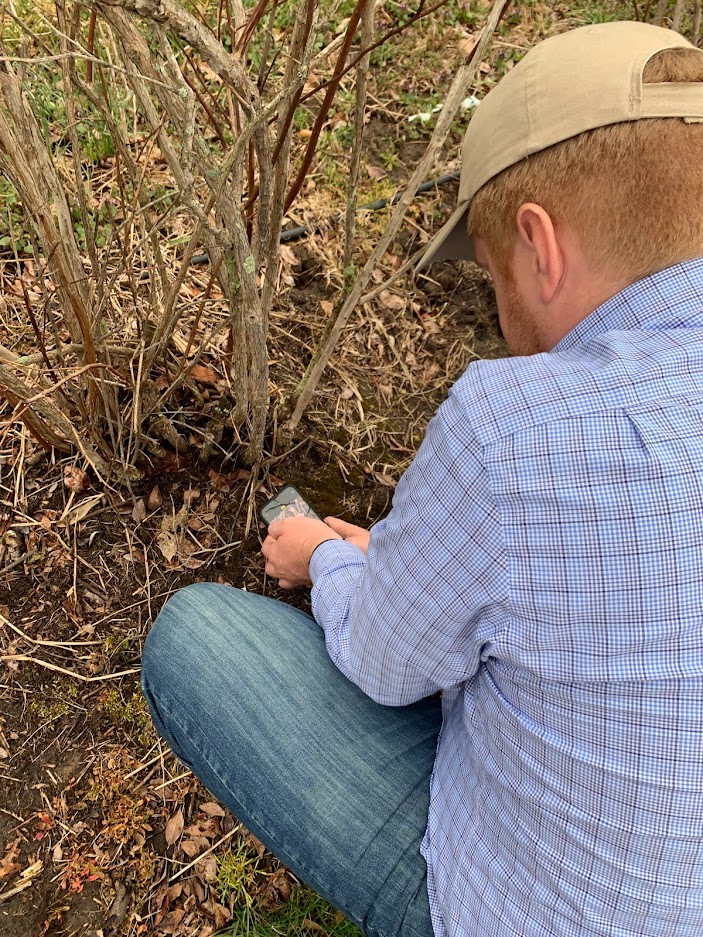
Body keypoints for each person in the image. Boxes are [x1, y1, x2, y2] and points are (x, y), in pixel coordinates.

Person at [141, 20, 703, 937]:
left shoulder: (512, 428)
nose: (501, 313)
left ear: (539, 246)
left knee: (195, 634)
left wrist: (325, 561)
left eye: (490, 278)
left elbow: (385, 663)